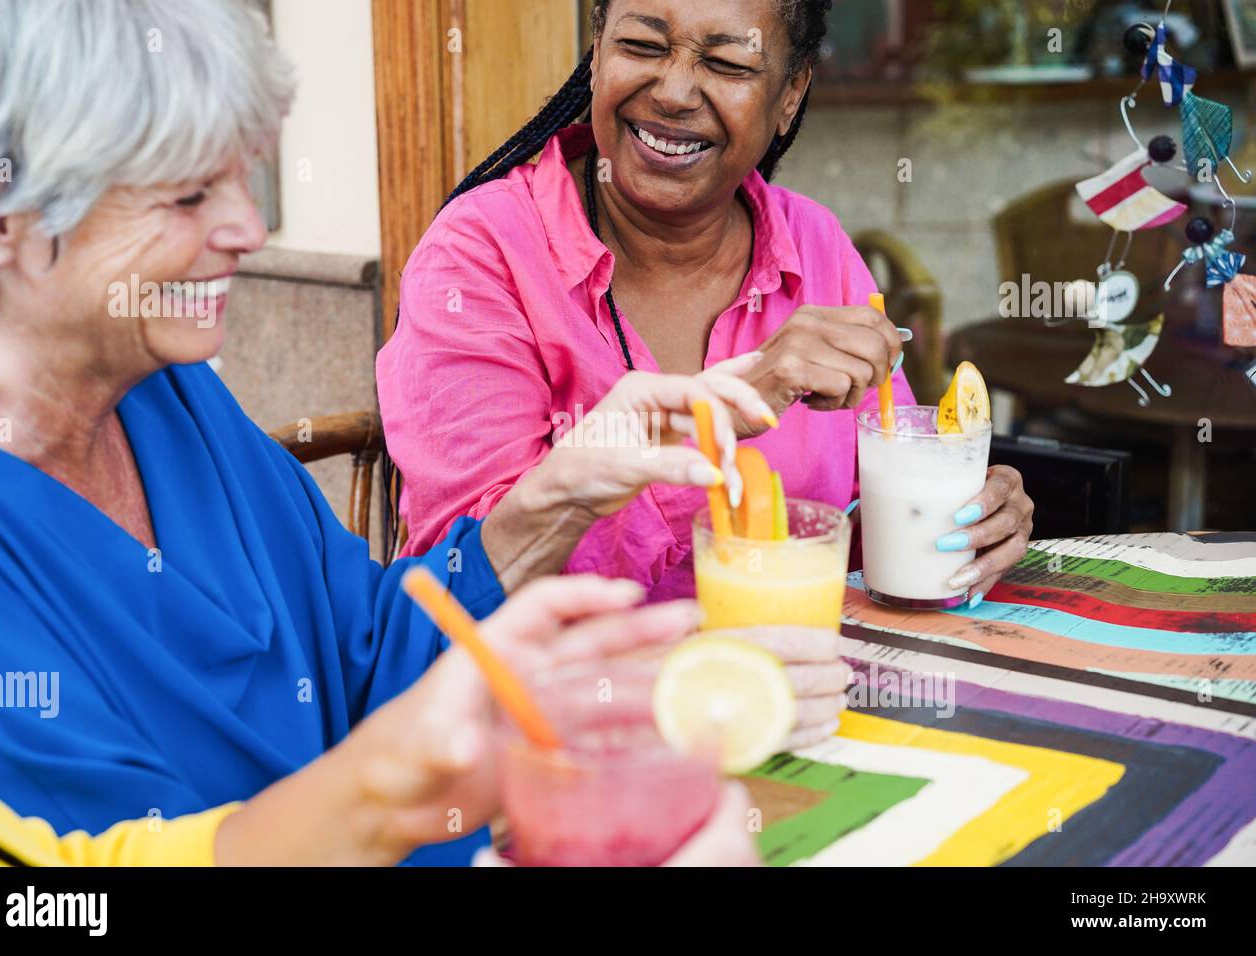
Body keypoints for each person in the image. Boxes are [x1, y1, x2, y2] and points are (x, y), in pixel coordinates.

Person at [0, 0, 837, 865]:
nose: (249, 230)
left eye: (243, 177)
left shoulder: (174, 398)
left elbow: (372, 652)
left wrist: (557, 494)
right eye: (187, 194)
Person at [379, 0, 1035, 605]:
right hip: (558, 710)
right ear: (598, 50)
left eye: (726, 63)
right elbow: (465, 584)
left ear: (790, 94)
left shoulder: (815, 246)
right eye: (641, 45)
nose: (672, 91)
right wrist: (725, 409)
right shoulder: (481, 256)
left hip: (779, 691)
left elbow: (863, 534)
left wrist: (961, 520)